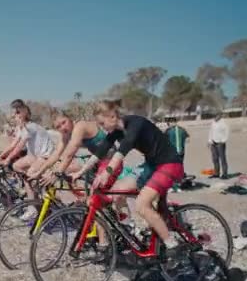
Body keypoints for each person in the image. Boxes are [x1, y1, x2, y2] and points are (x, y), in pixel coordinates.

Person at [71, 100, 184, 255]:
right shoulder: (116, 131)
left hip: (169, 164)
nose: (102, 127)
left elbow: (123, 149)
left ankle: (172, 245)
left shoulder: (135, 123)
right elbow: (100, 152)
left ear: (112, 116)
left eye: (102, 123)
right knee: (116, 193)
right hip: (152, 166)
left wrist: (107, 172)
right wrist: (81, 172)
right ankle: (129, 230)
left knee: (142, 205)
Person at [0, 99, 55, 220]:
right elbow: (13, 144)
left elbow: (19, 146)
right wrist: (1, 156)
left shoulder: (30, 127)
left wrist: (7, 159)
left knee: (28, 177)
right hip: (34, 155)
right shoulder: (22, 128)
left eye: (17, 114)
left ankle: (33, 208)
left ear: (23, 114)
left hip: (45, 156)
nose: (15, 117)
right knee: (16, 166)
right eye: (14, 114)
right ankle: (34, 188)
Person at [208, 113, 230, 179]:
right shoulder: (213, 122)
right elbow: (210, 131)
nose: (215, 117)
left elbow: (227, 131)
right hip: (213, 142)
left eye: (216, 116)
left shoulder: (223, 122)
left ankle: (225, 174)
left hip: (220, 143)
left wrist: (223, 140)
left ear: (219, 115)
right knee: (215, 159)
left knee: (222, 159)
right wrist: (209, 140)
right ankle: (216, 173)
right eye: (214, 116)